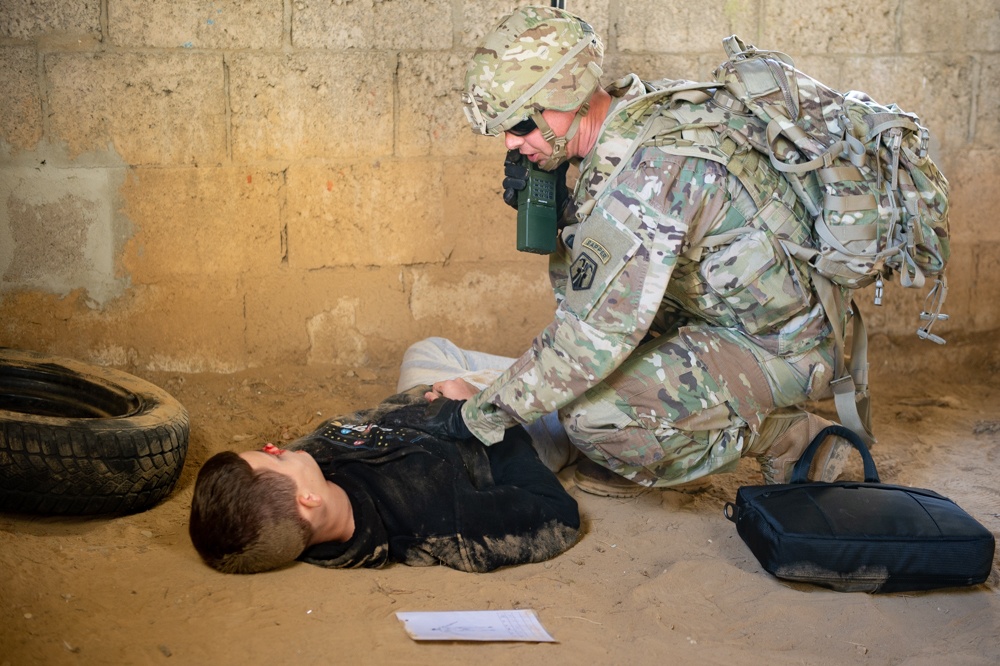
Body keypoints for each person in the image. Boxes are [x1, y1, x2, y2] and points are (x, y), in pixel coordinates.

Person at [399, 5, 856, 497]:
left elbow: (591, 333)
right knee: (573, 380)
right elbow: (590, 289)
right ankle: (671, 414)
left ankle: (789, 438)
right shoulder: (633, 114)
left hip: (781, 342)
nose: (511, 142)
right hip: (718, 309)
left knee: (593, 417)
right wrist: (560, 212)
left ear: (566, 97)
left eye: (522, 124)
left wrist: (481, 410)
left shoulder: (649, 174)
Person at [188, 388, 580, 574]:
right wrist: (484, 415)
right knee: (583, 409)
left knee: (426, 349)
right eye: (271, 456)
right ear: (307, 499)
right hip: (499, 433)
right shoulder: (440, 523)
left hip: (445, 400)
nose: (275, 445)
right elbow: (558, 513)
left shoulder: (303, 477)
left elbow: (374, 416)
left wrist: (434, 397)